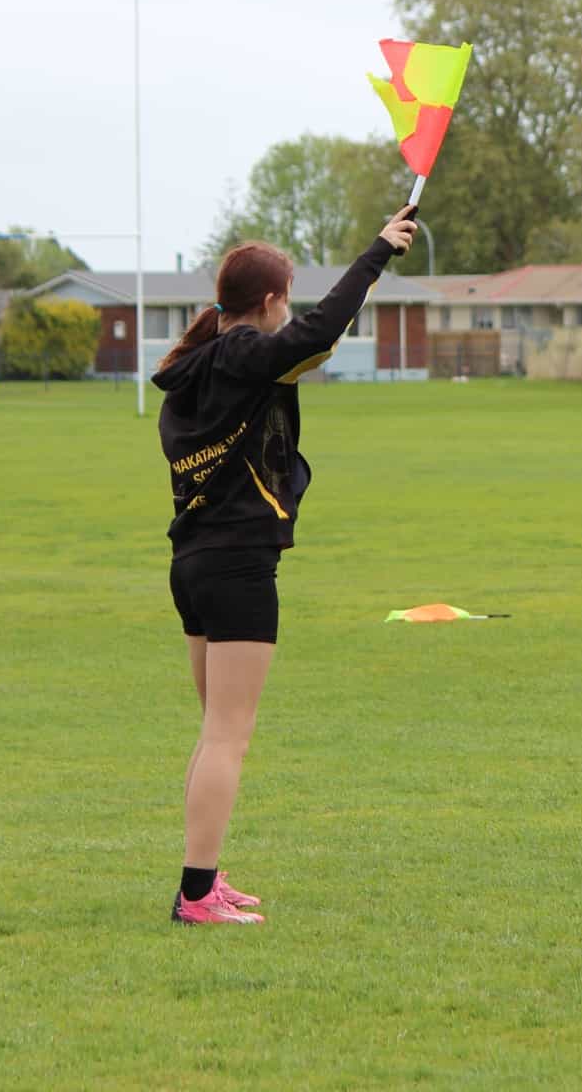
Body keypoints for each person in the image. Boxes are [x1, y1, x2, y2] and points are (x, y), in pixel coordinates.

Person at [152, 205, 417, 924]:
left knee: (215, 731)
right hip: (237, 565)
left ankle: (200, 877)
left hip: (194, 566)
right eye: (287, 298)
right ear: (268, 302)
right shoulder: (241, 356)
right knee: (227, 734)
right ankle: (198, 894)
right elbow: (322, 329)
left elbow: (309, 342)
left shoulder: (196, 367)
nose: (290, 310)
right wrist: (376, 253)